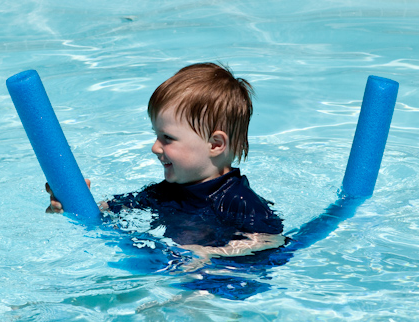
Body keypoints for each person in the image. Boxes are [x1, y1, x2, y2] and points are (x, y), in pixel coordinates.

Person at [47, 62, 285, 264]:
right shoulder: (163, 192)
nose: (155, 147)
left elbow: (271, 241)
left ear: (215, 144)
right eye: (156, 135)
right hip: (175, 268)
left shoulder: (237, 200)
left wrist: (211, 253)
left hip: (222, 280)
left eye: (167, 138)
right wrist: (73, 202)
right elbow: (109, 211)